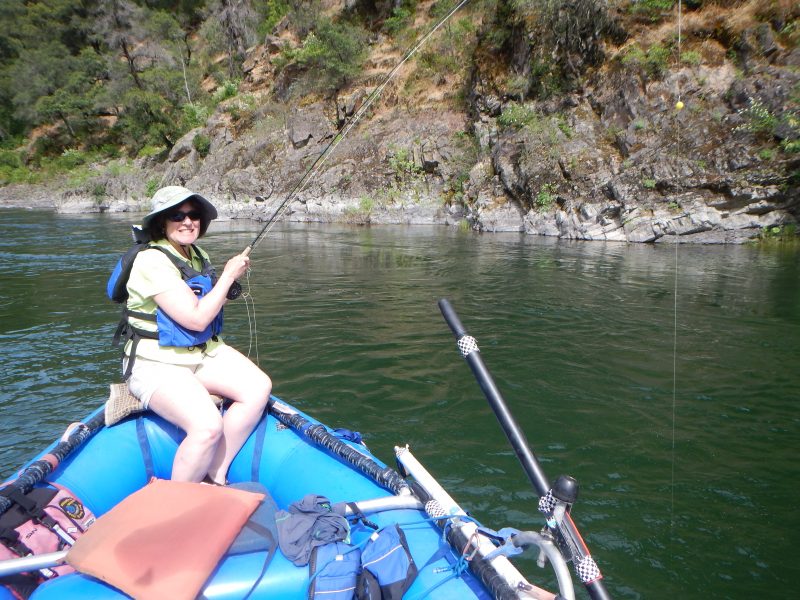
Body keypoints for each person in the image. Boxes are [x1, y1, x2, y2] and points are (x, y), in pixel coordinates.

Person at [117, 185, 271, 484]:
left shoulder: (197, 254)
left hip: (201, 353)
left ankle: (215, 473)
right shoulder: (151, 261)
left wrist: (227, 287)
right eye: (178, 215)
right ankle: (177, 505)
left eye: (194, 215)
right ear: (162, 221)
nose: (188, 222)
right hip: (156, 363)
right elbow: (197, 319)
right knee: (207, 426)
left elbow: (207, 300)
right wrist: (227, 276)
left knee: (258, 388)